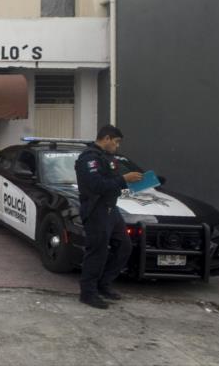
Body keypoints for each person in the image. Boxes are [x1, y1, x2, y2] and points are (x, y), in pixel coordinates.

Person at [74, 125, 143, 310]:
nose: (117, 146)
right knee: (97, 251)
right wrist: (124, 179)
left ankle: (103, 285)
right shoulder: (89, 159)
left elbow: (113, 182)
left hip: (112, 209)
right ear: (106, 138)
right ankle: (88, 293)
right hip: (96, 210)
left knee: (124, 247)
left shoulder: (107, 158)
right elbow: (96, 185)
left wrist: (141, 181)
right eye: (116, 142)